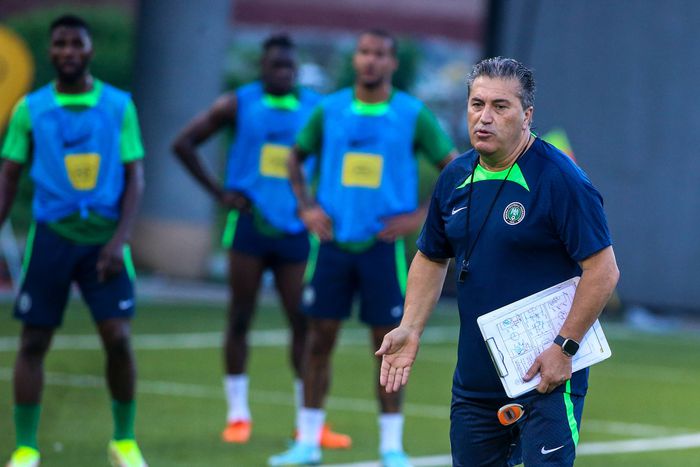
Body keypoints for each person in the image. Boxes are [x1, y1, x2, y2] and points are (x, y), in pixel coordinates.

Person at [376, 57, 620, 467]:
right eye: (477, 104)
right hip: (476, 382)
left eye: (500, 106)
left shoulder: (561, 179)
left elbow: (603, 270)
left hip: (547, 375)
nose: (484, 117)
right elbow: (432, 257)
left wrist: (564, 348)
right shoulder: (454, 177)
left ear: (527, 116)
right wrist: (410, 327)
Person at [269, 29, 457, 467]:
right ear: (355, 59)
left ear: (392, 63)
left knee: (389, 344)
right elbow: (294, 157)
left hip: (383, 249)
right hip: (332, 245)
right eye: (364, 52)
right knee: (318, 340)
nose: (371, 60)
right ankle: (308, 442)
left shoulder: (412, 114)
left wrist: (420, 216)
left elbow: (454, 168)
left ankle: (392, 447)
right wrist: (307, 207)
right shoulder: (329, 109)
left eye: (380, 54)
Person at [172, 34, 350, 449]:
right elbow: (183, 144)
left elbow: (343, 155)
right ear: (262, 67)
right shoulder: (238, 103)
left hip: (295, 229)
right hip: (249, 225)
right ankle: (237, 415)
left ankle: (309, 422)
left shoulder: (316, 109)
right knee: (240, 316)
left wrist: (321, 203)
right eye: (276, 65)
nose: (283, 72)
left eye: (290, 66)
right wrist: (219, 193)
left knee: (302, 322)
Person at [0, 15, 148, 467]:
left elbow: (135, 177)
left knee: (118, 338)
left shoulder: (119, 106)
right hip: (52, 238)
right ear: (50, 52)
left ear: (89, 50)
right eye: (60, 44)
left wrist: (119, 240)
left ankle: (124, 441)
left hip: (105, 239)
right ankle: (26, 448)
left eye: (76, 43)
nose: (68, 51)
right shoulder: (30, 109)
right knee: (33, 342)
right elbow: (8, 177)